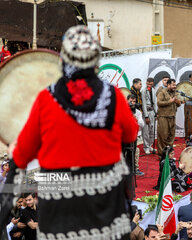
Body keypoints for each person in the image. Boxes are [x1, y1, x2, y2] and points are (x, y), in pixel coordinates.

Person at [2, 26, 139, 239]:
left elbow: (22, 155)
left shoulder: (46, 98)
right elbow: (130, 135)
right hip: (104, 204)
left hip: (59, 204)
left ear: (63, 59)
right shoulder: (113, 96)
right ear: (95, 60)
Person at [157, 78, 182, 156]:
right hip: (163, 117)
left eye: (175, 85)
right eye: (173, 85)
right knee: (163, 136)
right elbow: (159, 103)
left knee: (171, 136)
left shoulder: (175, 93)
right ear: (168, 85)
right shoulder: (162, 92)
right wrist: (169, 101)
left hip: (172, 116)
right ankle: (162, 155)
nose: (175, 86)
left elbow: (178, 104)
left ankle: (169, 154)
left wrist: (178, 102)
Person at [127, 94, 145, 176]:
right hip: (124, 136)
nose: (132, 103)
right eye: (131, 101)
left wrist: (136, 119)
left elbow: (142, 124)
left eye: (134, 101)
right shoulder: (122, 109)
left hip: (135, 136)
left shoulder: (138, 112)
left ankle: (135, 169)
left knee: (135, 152)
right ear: (127, 101)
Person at [141, 77, 157, 155]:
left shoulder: (153, 90)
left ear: (153, 83)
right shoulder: (143, 91)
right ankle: (146, 147)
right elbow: (143, 104)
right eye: (148, 84)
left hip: (152, 112)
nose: (149, 85)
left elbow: (155, 103)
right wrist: (146, 116)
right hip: (146, 111)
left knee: (152, 130)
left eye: (151, 84)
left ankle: (150, 145)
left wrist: (156, 113)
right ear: (146, 83)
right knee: (146, 131)